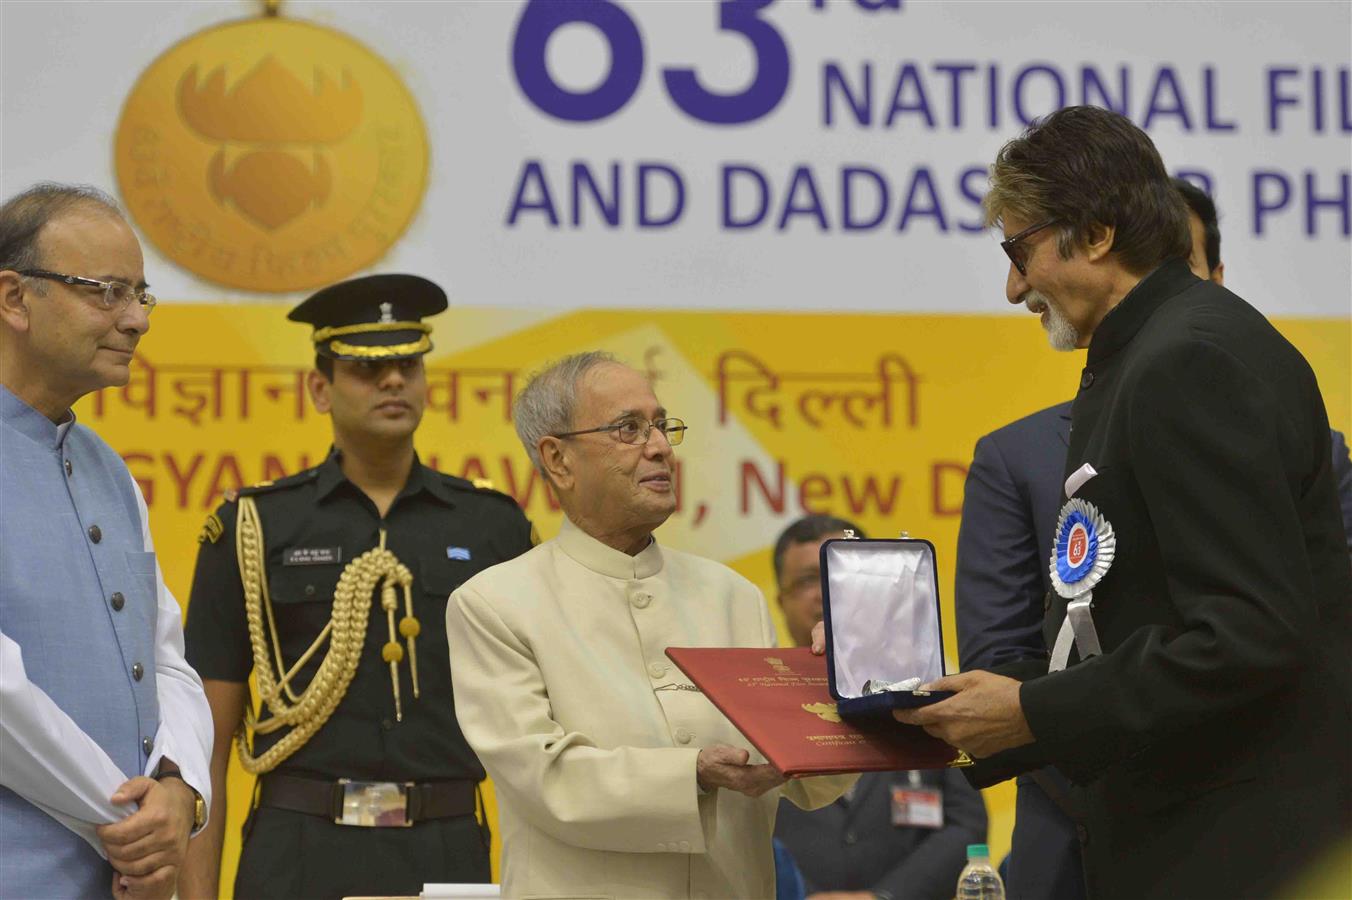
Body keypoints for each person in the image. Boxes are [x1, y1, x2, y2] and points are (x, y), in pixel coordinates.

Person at [893, 106, 1352, 899]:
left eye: (1019, 248)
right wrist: (973, 712)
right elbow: (1131, 617)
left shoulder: (1189, 359)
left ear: (1097, 233)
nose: (1012, 288)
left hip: (1230, 850)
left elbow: (1248, 633)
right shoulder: (1152, 351)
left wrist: (1037, 711)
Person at [445, 352, 853, 899]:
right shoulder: (495, 603)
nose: (659, 446)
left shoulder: (733, 596)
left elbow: (811, 780)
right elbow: (547, 781)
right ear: (558, 460)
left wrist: (846, 685)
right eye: (628, 429)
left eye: (661, 425)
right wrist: (694, 774)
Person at [179, 275, 534, 899]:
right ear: (321, 387)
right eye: (368, 368)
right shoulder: (254, 527)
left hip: (445, 842)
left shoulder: (493, 526)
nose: (393, 381)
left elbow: (538, 729)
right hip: (299, 846)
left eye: (407, 364)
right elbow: (203, 744)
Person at [0, 183, 212, 899]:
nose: (137, 320)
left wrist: (179, 789)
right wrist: (127, 823)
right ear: (13, 299)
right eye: (107, 292)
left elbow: (164, 656)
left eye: (142, 295)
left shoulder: (108, 469)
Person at [773, 515, 986, 900]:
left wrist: (884, 897)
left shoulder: (927, 686)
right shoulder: (756, 699)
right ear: (780, 600)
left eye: (843, 576)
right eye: (808, 579)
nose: (826, 590)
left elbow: (966, 826)